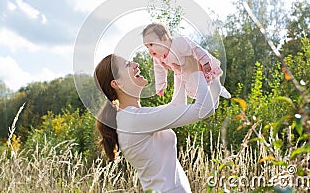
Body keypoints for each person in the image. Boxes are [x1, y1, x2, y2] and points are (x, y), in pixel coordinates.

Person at [94, 53, 220, 192]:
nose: (136, 64)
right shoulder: (134, 119)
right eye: (127, 65)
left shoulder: (131, 117)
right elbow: (204, 110)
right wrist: (195, 70)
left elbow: (177, 107)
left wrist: (180, 70)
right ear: (117, 84)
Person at [142, 22, 231, 110]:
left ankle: (216, 98)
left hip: (199, 67)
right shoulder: (157, 57)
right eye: (147, 47)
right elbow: (159, 71)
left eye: (151, 44)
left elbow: (195, 49)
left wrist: (205, 62)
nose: (149, 50)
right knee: (179, 88)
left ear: (164, 38)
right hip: (181, 73)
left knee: (214, 84)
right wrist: (160, 86)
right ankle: (178, 104)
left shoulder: (178, 43)